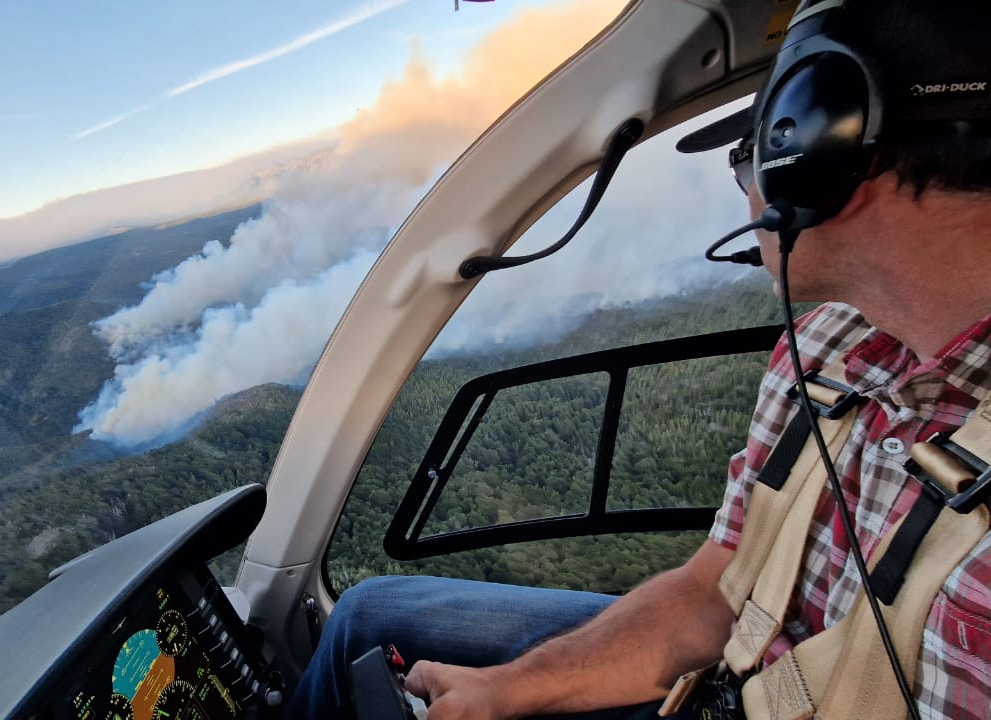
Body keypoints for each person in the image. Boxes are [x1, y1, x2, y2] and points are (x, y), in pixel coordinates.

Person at [283, 1, 991, 719]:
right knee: (364, 619)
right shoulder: (822, 345)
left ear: (812, 151)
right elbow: (713, 589)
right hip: (728, 677)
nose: (747, 194)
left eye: (747, 156)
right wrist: (502, 691)